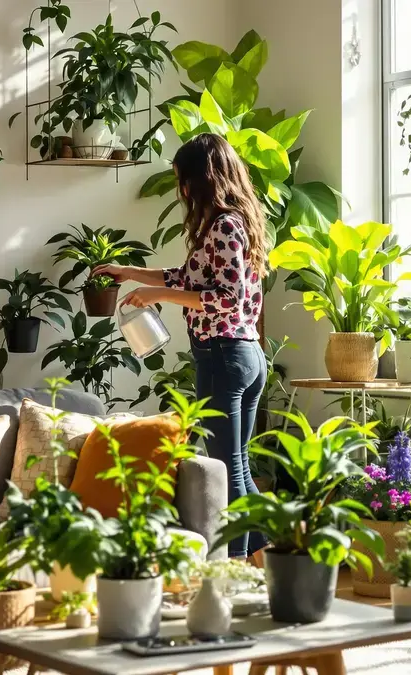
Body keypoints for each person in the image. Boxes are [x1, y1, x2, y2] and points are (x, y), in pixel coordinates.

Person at [92, 132, 268, 559]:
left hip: (223, 357)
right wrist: (131, 272)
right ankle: (261, 559)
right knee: (237, 466)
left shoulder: (224, 226)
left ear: (201, 179)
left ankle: (237, 567)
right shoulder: (232, 222)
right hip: (243, 356)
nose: (181, 190)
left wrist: (159, 298)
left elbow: (228, 299)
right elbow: (187, 278)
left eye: (182, 180)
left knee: (226, 470)